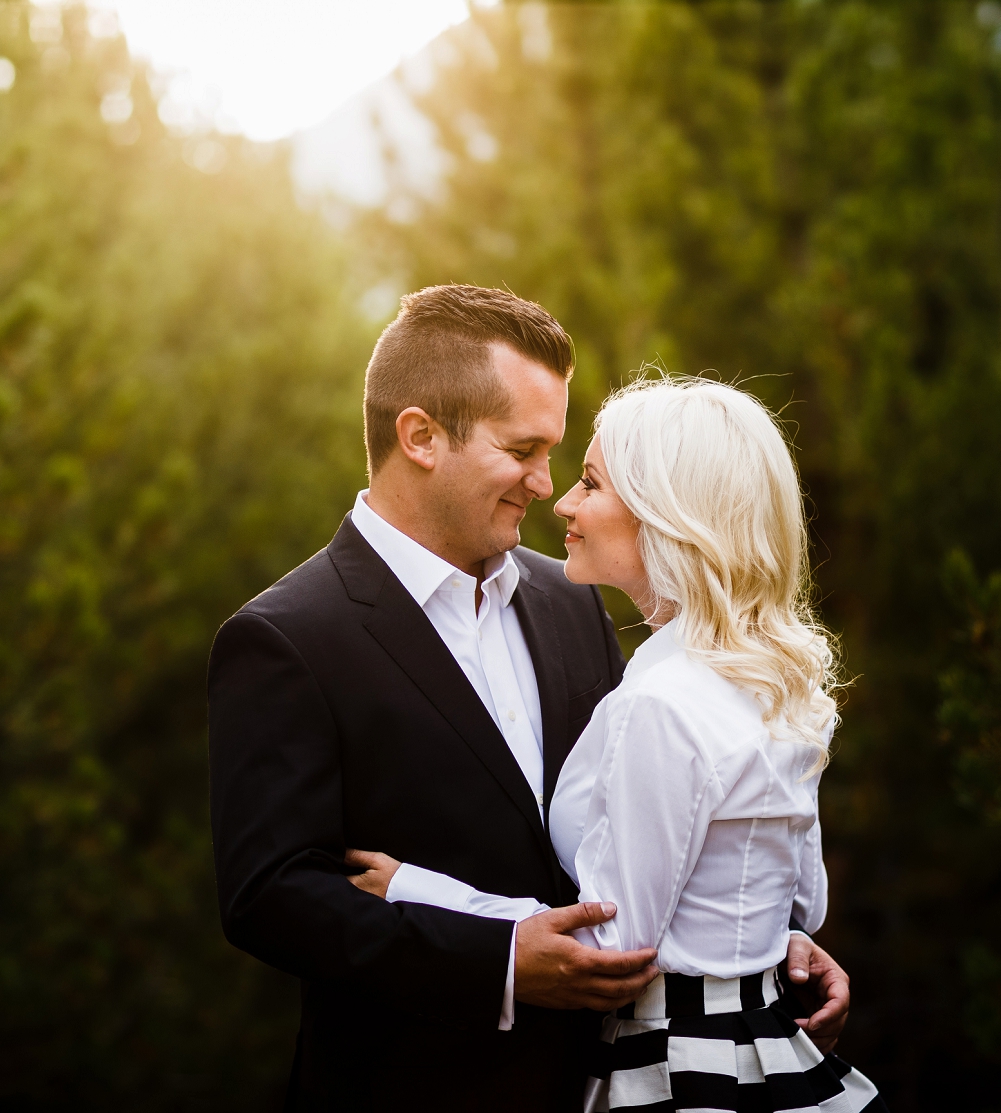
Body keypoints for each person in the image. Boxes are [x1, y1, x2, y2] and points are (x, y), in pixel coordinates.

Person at [207, 287, 852, 1112]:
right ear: (421, 436)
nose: (547, 486)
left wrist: (753, 946)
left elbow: (659, 817)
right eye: (525, 449)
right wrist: (499, 960)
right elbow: (270, 896)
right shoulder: (288, 636)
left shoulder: (569, 596)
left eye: (561, 455)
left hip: (620, 1078)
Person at [344, 376, 884, 1111]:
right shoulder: (770, 681)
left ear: (668, 514)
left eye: (591, 483)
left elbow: (612, 948)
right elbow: (801, 900)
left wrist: (414, 888)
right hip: (768, 1051)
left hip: (680, 1069)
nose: (562, 500)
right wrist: (756, 948)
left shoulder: (660, 703)